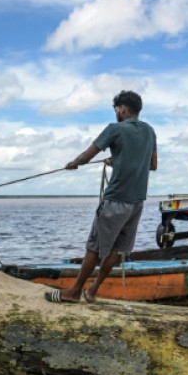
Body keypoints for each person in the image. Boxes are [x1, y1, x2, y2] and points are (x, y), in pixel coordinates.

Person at [45, 90, 157, 303]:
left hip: (116, 201)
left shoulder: (115, 129)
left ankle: (74, 292)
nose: (116, 112)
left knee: (94, 248)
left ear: (123, 108)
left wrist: (73, 163)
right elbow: (152, 165)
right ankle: (93, 291)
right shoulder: (150, 131)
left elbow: (87, 156)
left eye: (116, 109)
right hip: (137, 203)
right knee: (116, 249)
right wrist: (118, 161)